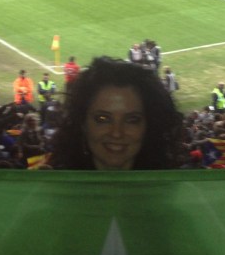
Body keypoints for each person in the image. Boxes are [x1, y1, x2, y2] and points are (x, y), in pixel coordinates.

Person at [50, 56, 184, 170]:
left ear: (149, 125)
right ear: (83, 123)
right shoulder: (49, 186)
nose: (117, 133)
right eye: (102, 119)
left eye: (132, 120)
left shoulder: (181, 187)